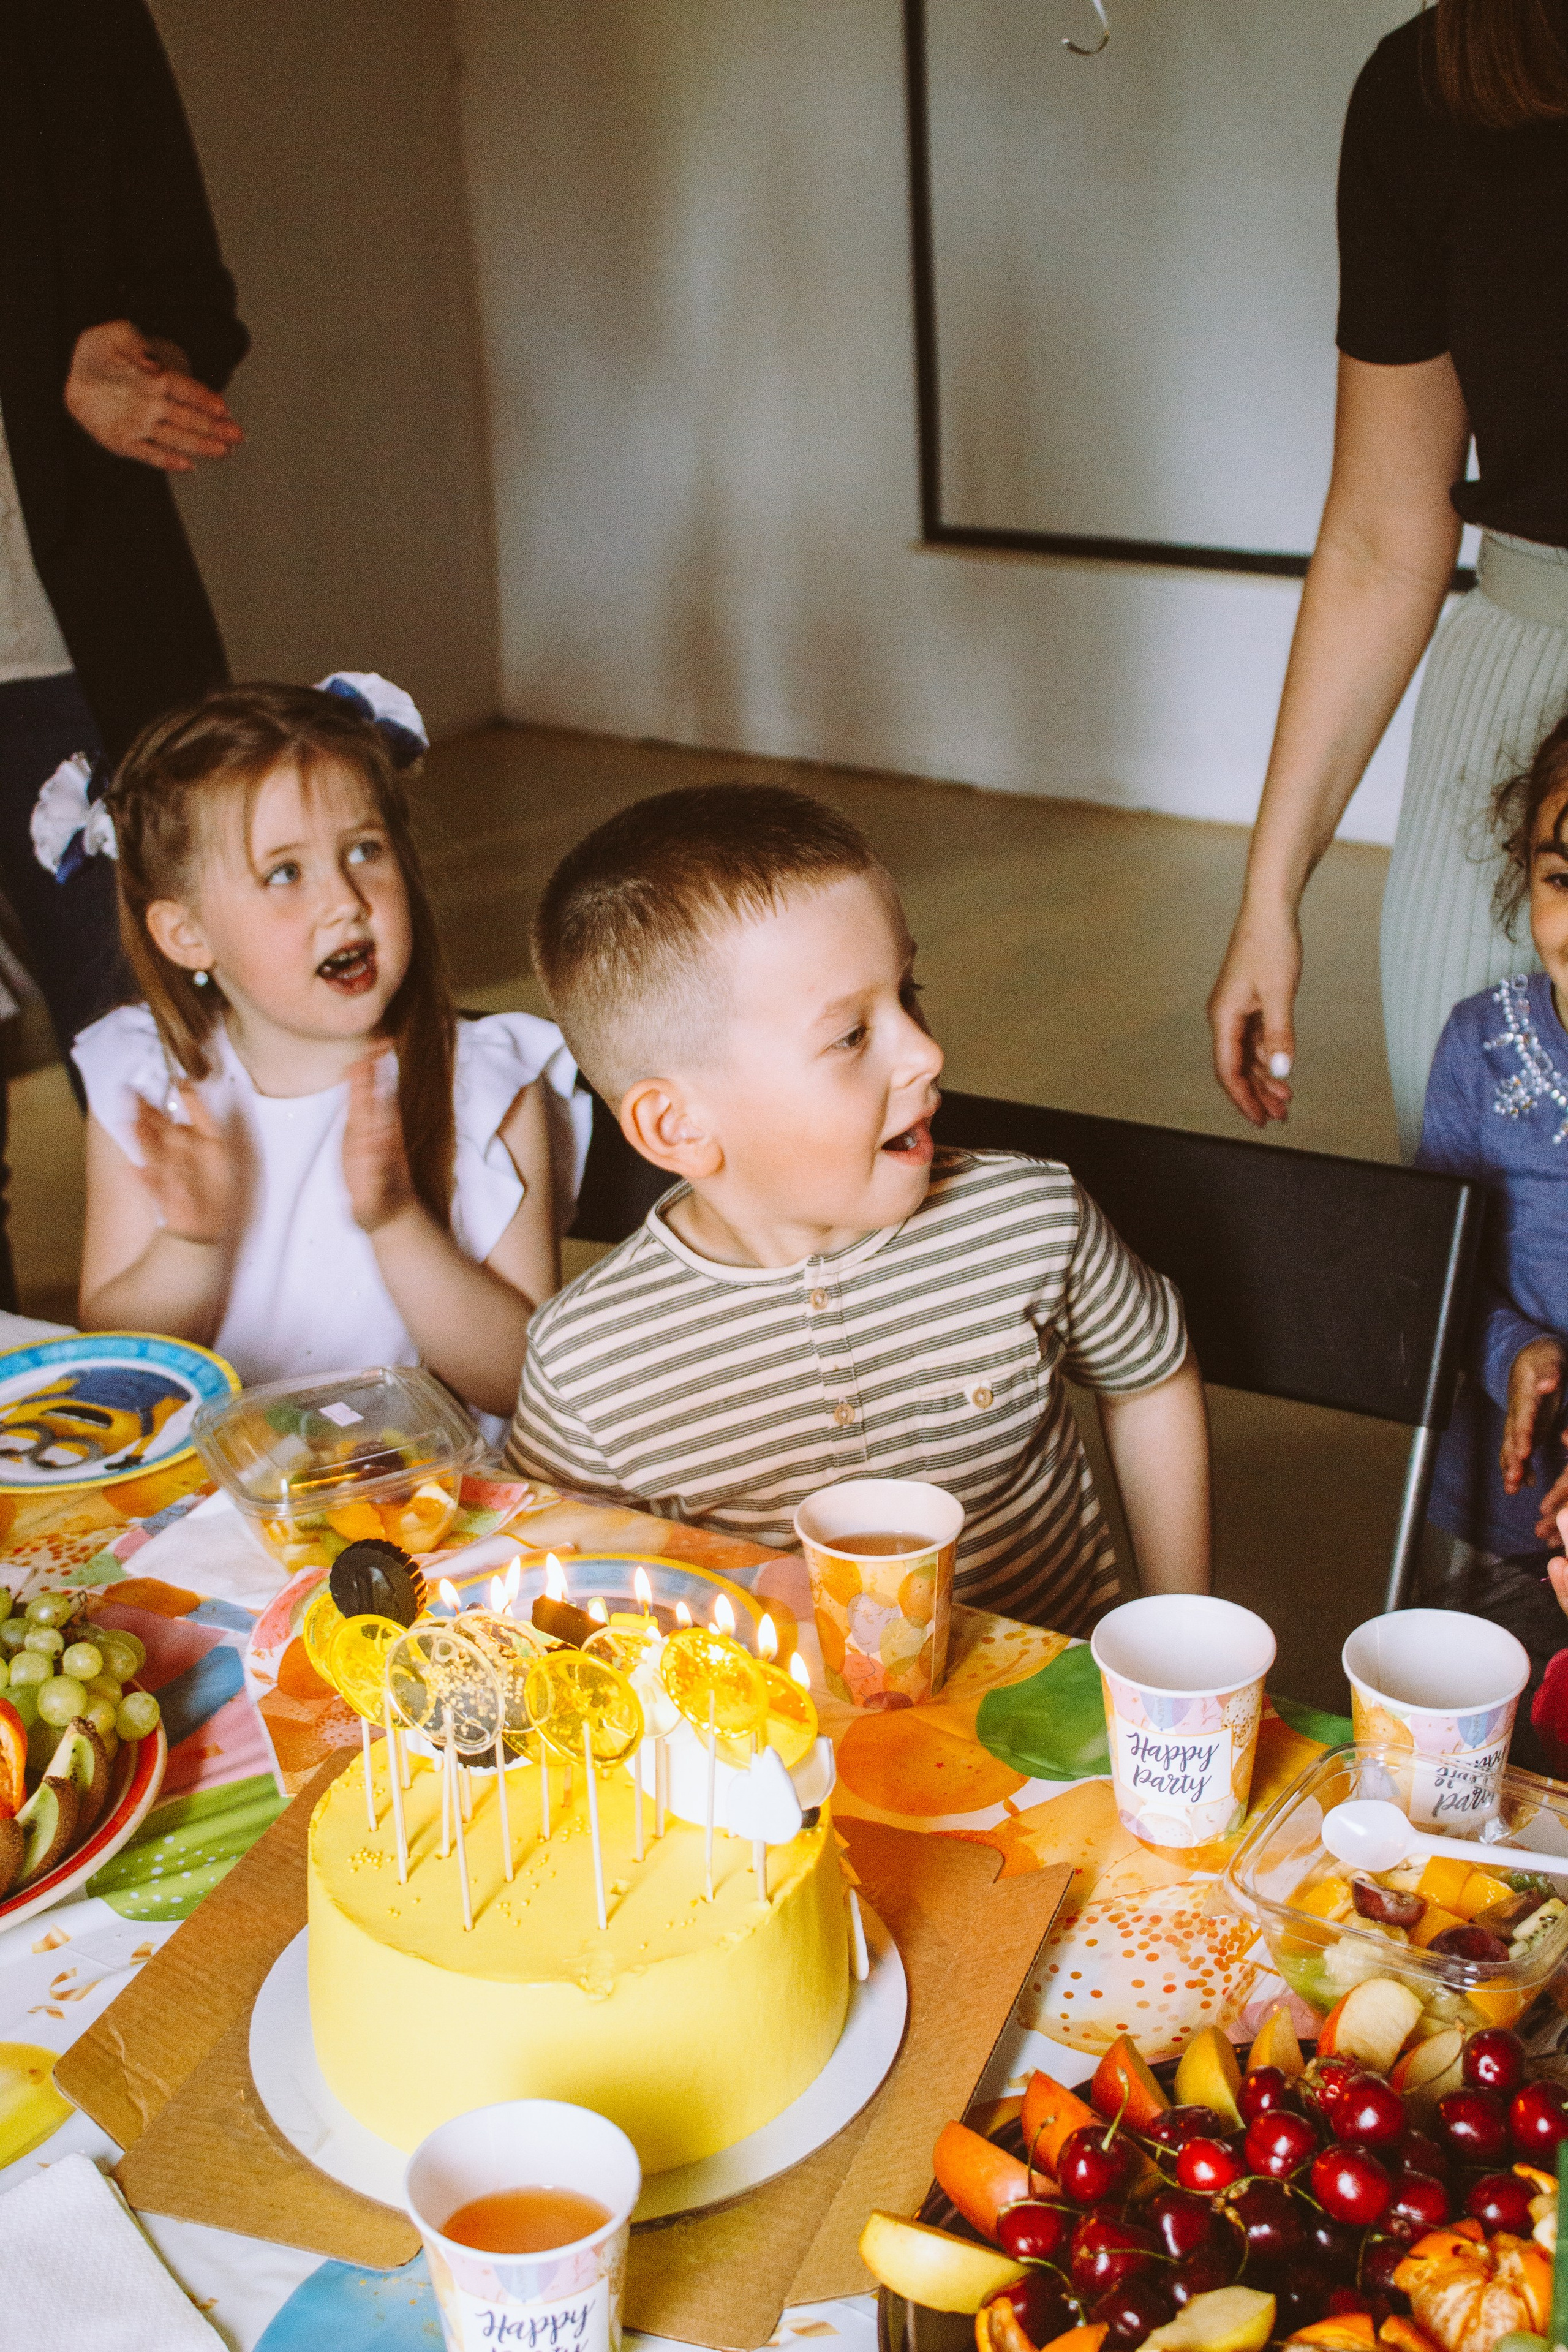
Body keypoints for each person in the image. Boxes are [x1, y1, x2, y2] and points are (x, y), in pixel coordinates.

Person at [504, 783, 1210, 1632]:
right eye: (850, 1036)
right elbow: (559, 1583)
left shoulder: (1030, 1221)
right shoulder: (590, 1365)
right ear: (680, 1125)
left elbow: (1150, 1374)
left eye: (908, 994)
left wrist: (1178, 1627)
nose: (926, 1051)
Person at [1208, 0, 1568, 1160]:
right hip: (1516, 706)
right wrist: (1273, 892)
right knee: (1489, 1264)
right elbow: (1380, 534)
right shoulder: (1434, 84)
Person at [71, 680, 587, 1421]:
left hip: (425, 1505)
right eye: (285, 872)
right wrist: (191, 1240)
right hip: (212, 1494)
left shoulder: (485, 1089)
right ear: (187, 934)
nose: (346, 899)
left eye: (365, 851)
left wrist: (396, 1221)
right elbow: (116, 1362)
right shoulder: (152, 1084)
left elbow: (517, 1383)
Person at [0, 0, 247, 1303]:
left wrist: (125, 361)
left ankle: (195, 1458)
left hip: (65, 656)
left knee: (166, 1075)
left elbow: (186, 289)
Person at [1412, 710, 1568, 1765]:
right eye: (1565, 878)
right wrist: (1519, 1353)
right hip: (1509, 1523)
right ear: (1526, 872)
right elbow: (1437, 1278)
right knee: (1475, 1769)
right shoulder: (1481, 1044)